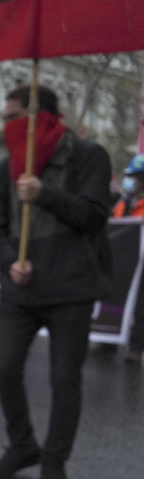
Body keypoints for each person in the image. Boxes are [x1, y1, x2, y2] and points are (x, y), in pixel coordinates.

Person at [0, 84, 111, 479]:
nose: (7, 126)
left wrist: (45, 194)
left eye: (14, 116)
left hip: (71, 289)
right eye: (5, 118)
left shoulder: (88, 156)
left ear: (42, 118)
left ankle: (54, 463)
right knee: (4, 369)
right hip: (21, 290)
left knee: (63, 378)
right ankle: (23, 446)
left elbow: (93, 216)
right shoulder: (6, 168)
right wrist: (8, 262)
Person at [112, 154, 144, 363]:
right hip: (122, 259)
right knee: (114, 295)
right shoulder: (124, 202)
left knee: (141, 304)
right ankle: (108, 338)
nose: (133, 181)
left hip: (142, 265)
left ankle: (136, 345)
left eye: (137, 177)